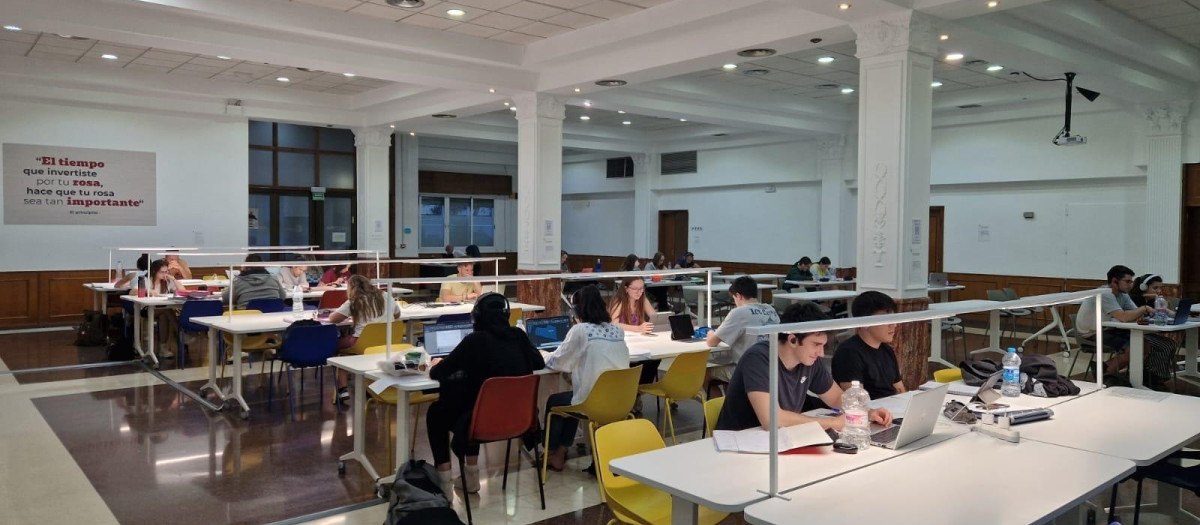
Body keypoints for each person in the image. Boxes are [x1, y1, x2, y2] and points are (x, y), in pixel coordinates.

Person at [426, 293, 545, 494]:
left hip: (481, 423)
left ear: (477, 317)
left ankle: (445, 482)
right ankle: (469, 476)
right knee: (472, 403)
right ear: (506, 315)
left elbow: (438, 373)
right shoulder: (519, 336)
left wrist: (438, 362)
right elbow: (539, 363)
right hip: (519, 421)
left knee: (437, 412)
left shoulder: (474, 341)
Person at [715, 302, 893, 431]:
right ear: (792, 339)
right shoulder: (759, 359)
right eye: (816, 344)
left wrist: (866, 413)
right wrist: (833, 423)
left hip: (781, 441)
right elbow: (772, 420)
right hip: (740, 443)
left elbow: (837, 399)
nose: (821, 353)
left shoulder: (809, 361)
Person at [543, 285, 630, 471]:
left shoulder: (580, 330)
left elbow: (557, 362)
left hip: (593, 403)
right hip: (622, 401)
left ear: (577, 311)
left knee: (557, 402)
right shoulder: (617, 331)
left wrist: (541, 354)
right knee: (573, 397)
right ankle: (561, 453)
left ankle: (552, 454)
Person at [1076, 265, 1177, 386]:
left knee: (1145, 344)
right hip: (1092, 333)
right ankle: (1105, 373)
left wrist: (1140, 312)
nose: (1131, 285)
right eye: (1127, 281)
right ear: (1114, 281)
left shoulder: (1123, 295)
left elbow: (1135, 314)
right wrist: (1143, 308)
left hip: (1109, 329)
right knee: (1135, 347)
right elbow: (1124, 316)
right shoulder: (1105, 294)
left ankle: (1140, 377)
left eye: (1131, 282)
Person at [832, 291, 905, 399]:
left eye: (893, 319)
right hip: (871, 412)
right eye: (886, 320)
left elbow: (900, 389)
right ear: (865, 322)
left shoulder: (886, 349)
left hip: (892, 409)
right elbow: (856, 402)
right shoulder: (848, 353)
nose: (894, 325)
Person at [706, 276, 780, 383]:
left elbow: (712, 342)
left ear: (738, 296)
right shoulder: (770, 309)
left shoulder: (739, 312)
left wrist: (711, 334)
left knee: (708, 370)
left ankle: (716, 399)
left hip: (748, 371)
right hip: (772, 369)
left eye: (734, 298)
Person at [609, 276, 661, 389]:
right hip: (623, 342)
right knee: (639, 362)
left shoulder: (642, 300)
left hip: (639, 341)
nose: (639, 292)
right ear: (626, 289)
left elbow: (655, 317)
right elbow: (613, 324)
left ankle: (638, 390)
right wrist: (638, 328)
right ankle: (633, 389)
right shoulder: (620, 302)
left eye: (642, 288)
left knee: (655, 358)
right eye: (635, 289)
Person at [328, 275, 402, 350]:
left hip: (363, 342)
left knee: (334, 344)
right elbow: (397, 315)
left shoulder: (355, 301)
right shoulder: (386, 295)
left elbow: (333, 319)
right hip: (388, 340)